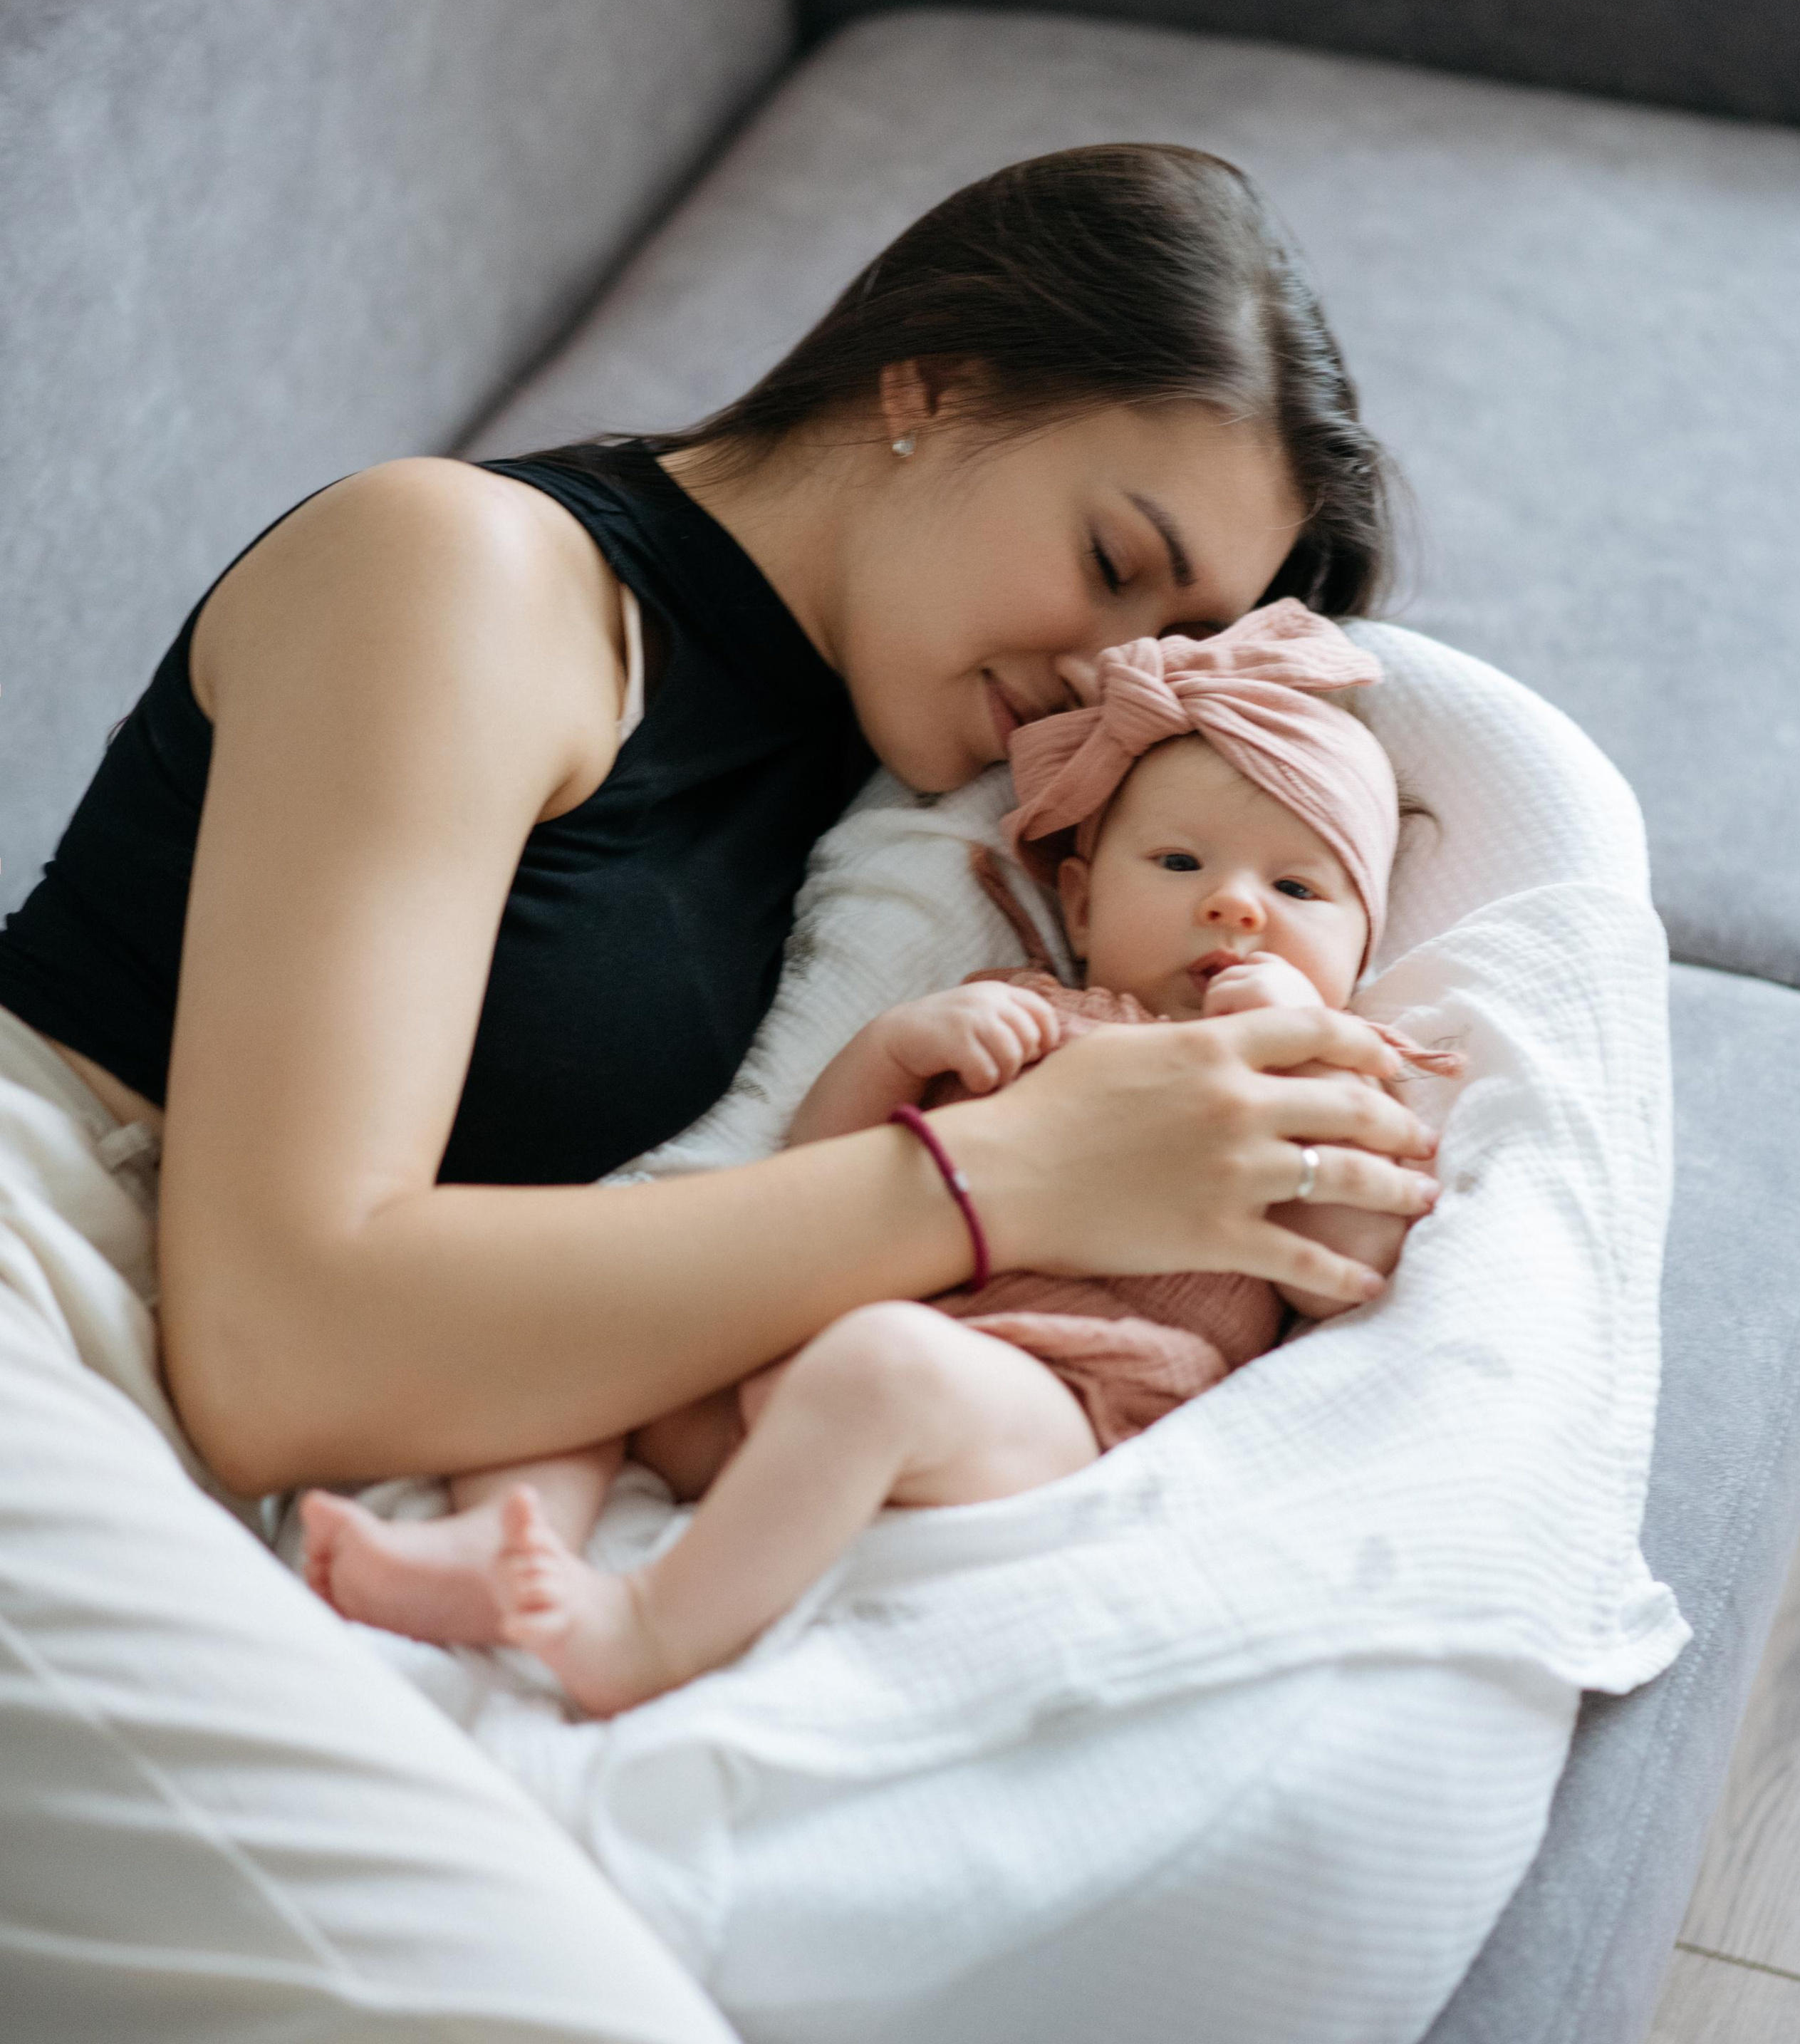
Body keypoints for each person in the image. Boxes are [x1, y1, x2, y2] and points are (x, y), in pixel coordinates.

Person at [0, 145, 1440, 2044]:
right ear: (929, 380)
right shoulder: (466, 571)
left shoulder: (902, 799)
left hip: (192, 1429)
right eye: (1110, 559)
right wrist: (995, 1183)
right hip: (49, 1249)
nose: (1103, 673)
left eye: (1170, 642)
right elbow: (280, 1344)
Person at [296, 600, 1453, 1715]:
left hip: (1068, 1395)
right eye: (1181, 863)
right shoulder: (1023, 1014)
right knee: (612, 1301)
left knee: (882, 1367)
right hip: (815, 1352)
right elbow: (818, 1172)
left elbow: (1349, 1263)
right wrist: (895, 1049)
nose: (1235, 909)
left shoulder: (1328, 1076)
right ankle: (503, 1536)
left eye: (1296, 888)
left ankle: (649, 1629)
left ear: (1363, 947)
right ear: (1082, 903)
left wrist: (1307, 1061)